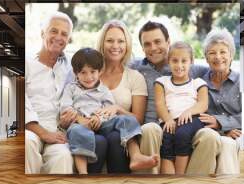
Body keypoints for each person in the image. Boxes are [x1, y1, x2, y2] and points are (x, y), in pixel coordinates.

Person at [130, 21, 241, 175]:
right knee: (152, 130)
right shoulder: (135, 68)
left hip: (192, 124)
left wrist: (223, 125)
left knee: (209, 137)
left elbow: (215, 73)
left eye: (158, 41)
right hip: (160, 124)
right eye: (147, 44)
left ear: (168, 42)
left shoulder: (195, 73)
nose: (153, 48)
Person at [25, 12, 107, 174]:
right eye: (53, 31)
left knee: (64, 157)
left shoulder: (73, 66)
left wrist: (77, 119)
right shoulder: (27, 64)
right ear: (43, 33)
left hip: (60, 132)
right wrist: (43, 133)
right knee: (26, 143)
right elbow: (20, 103)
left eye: (64, 34)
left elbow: (91, 80)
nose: (58, 37)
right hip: (33, 130)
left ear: (69, 39)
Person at [59, 48, 158, 174]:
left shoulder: (104, 90)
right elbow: (65, 107)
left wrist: (99, 118)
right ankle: (83, 173)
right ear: (75, 73)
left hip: (102, 124)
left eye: (92, 72)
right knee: (76, 132)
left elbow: (109, 109)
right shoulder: (71, 88)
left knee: (127, 119)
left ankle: (135, 155)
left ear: (100, 71)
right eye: (83, 73)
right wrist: (80, 119)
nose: (88, 77)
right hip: (80, 125)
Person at [95, 20, 162, 174]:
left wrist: (117, 109)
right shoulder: (90, 73)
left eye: (121, 41)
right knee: (106, 138)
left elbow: (137, 119)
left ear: (127, 45)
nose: (115, 46)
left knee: (115, 137)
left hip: (120, 136)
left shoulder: (134, 77)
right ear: (102, 43)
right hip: (93, 127)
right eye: (110, 40)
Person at [187, 28, 242, 175]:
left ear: (231, 55)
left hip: (234, 133)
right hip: (206, 132)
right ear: (206, 58)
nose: (218, 57)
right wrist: (219, 129)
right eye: (212, 53)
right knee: (210, 138)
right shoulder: (198, 82)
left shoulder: (242, 82)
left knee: (227, 143)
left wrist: (222, 123)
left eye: (223, 52)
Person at [154, 42, 208, 174]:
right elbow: (159, 104)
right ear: (168, 62)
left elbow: (203, 104)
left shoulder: (198, 83)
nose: (179, 65)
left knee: (182, 134)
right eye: (175, 61)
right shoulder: (161, 82)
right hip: (170, 120)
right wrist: (167, 119)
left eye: (184, 61)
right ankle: (169, 179)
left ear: (191, 62)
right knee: (167, 137)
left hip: (192, 118)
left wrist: (188, 112)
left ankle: (180, 176)